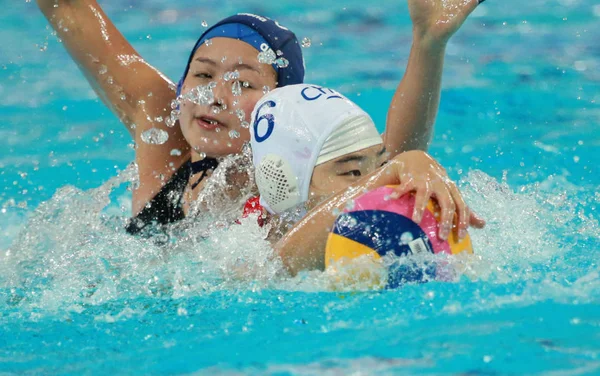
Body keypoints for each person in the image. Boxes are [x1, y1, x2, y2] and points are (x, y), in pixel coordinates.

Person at [36, 0, 485, 234]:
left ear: (281, 106)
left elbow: (388, 169)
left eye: (244, 84)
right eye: (203, 75)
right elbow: (70, 11)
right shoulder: (165, 135)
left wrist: (429, 43)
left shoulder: (296, 175)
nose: (214, 96)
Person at [246, 84, 485, 275]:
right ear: (284, 185)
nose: (378, 186)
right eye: (353, 173)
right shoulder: (238, 260)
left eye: (381, 165)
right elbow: (279, 268)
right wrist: (390, 170)